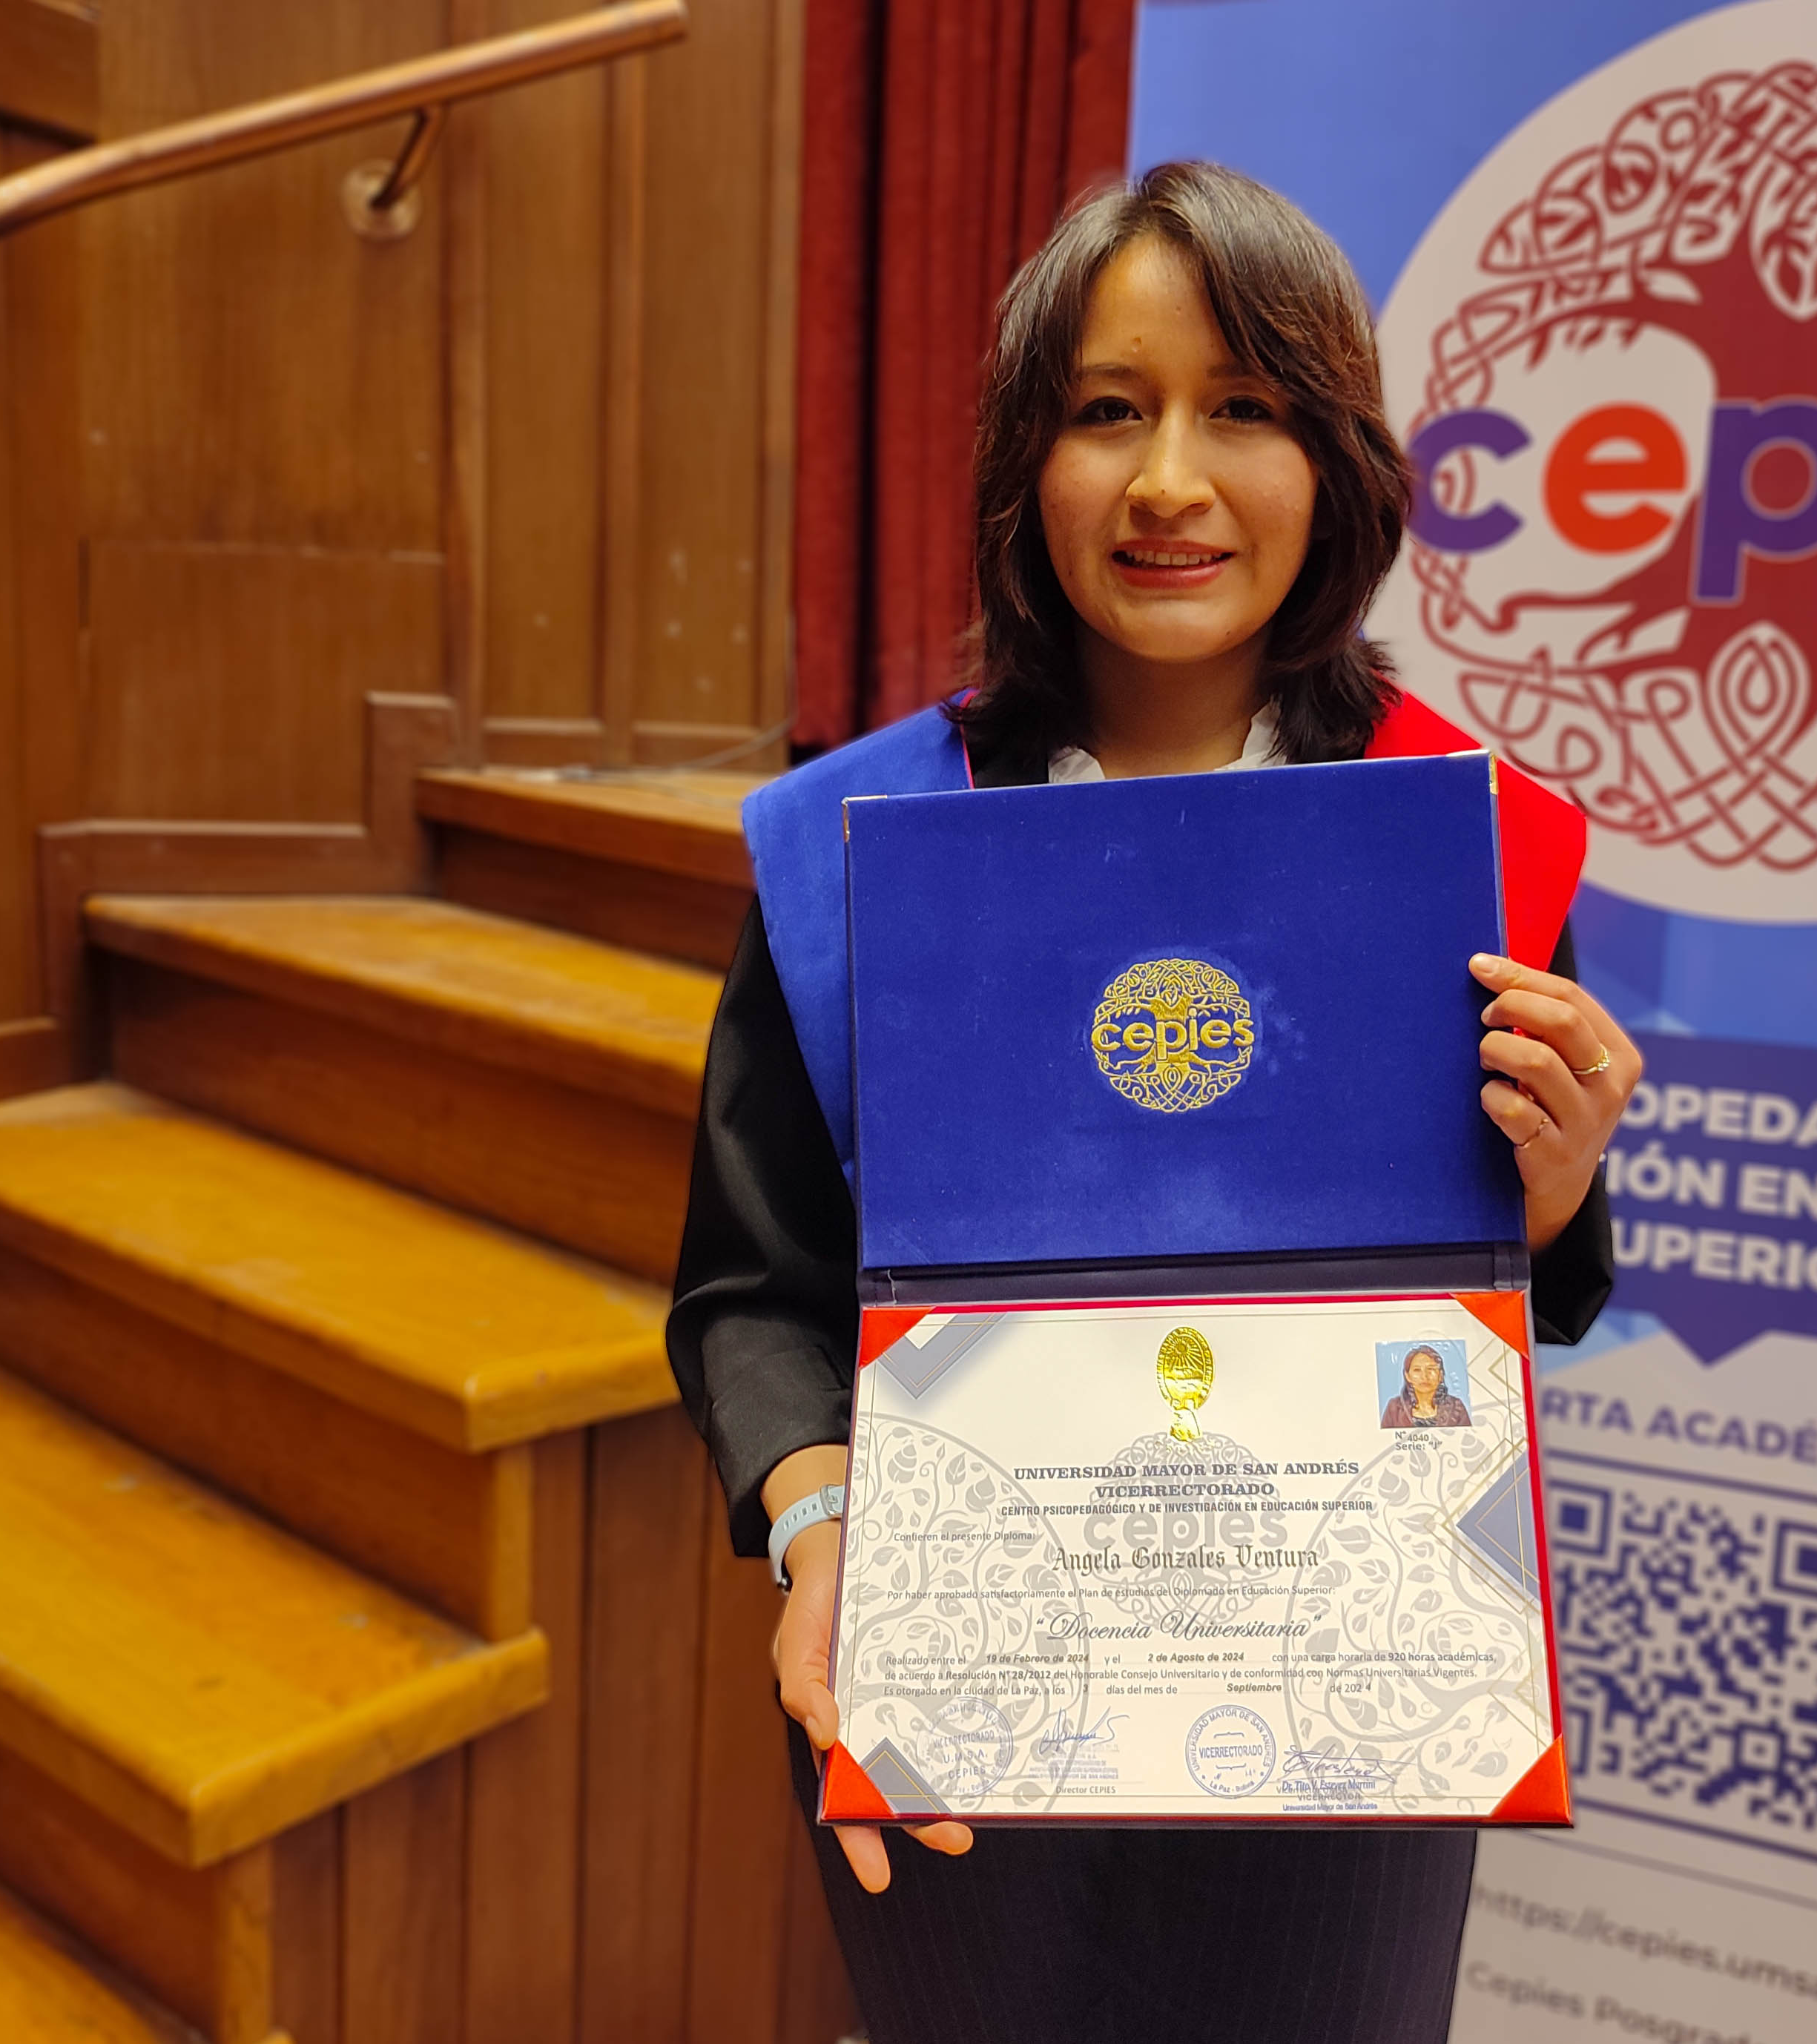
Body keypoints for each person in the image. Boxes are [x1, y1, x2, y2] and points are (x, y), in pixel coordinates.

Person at [668, 159, 1641, 2044]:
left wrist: (1549, 1177)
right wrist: (822, 1531)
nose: (1170, 479)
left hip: (1341, 1680)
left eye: (1245, 408)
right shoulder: (859, 846)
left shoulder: (1462, 838)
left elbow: (1519, 1283)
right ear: (1025, 469)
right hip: (952, 1649)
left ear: (1335, 464)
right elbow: (748, 1289)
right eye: (1108, 410)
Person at [1382, 1345, 1472, 1429]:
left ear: (1440, 1375)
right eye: (1417, 1370)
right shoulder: (1395, 1409)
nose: (1424, 1377)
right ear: (1407, 1376)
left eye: (1431, 1369)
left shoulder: (1456, 1407)